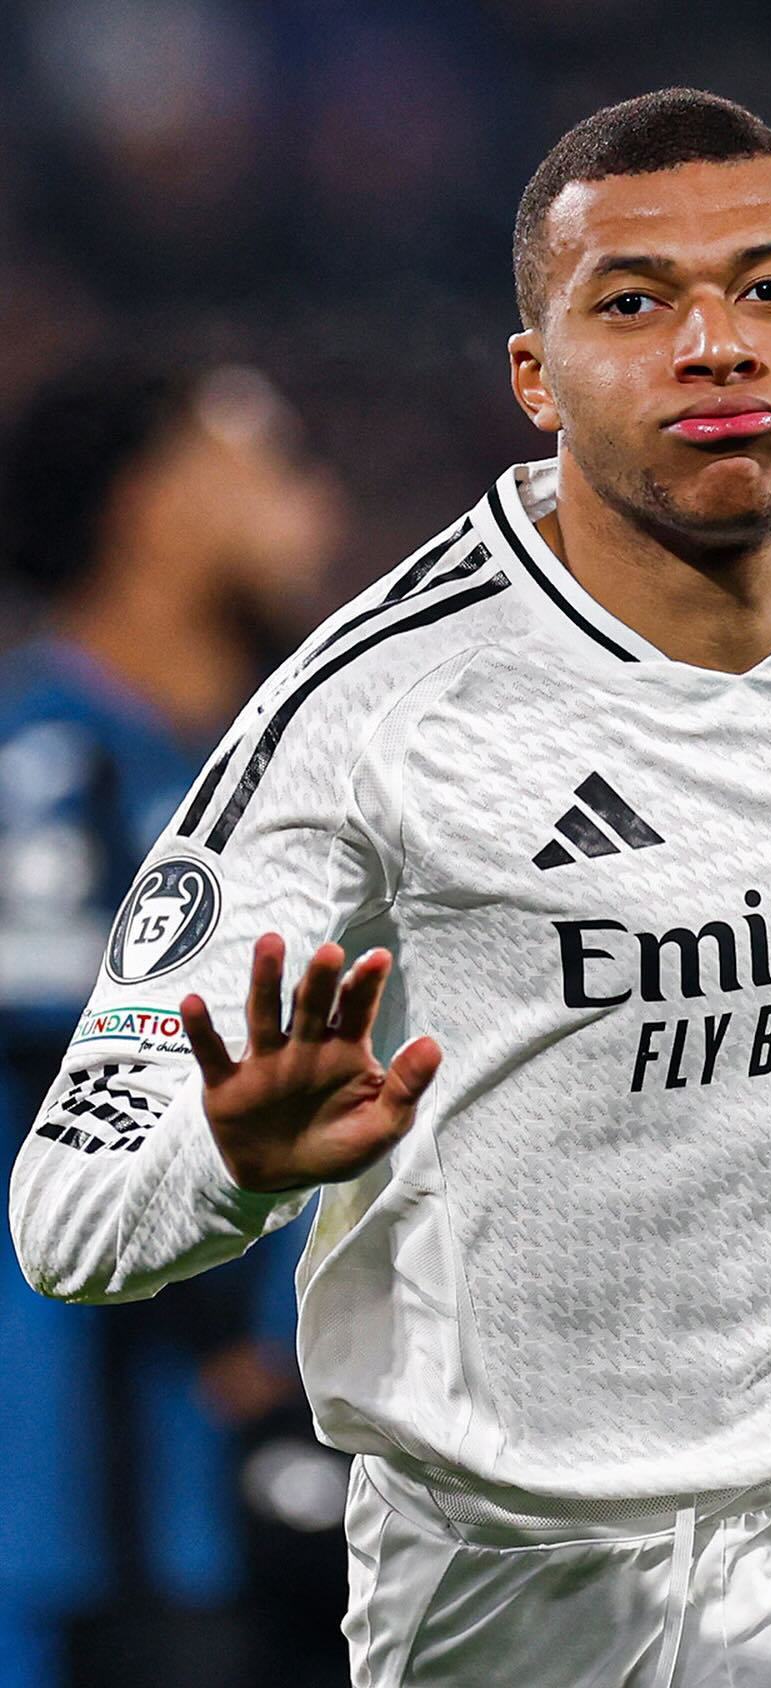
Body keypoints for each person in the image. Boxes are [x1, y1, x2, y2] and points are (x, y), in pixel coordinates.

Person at [11, 91, 771, 1686]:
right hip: (526, 1570)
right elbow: (64, 1214)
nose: (715, 345)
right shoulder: (367, 716)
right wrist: (237, 1163)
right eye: (634, 304)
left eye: (765, 289)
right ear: (533, 379)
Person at [0, 355, 340, 1685]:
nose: (311, 505)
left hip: (287, 1481)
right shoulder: (48, 766)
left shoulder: (283, 774)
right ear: (148, 504)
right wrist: (231, 1322)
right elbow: (71, 1071)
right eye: (264, 462)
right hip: (84, 1494)